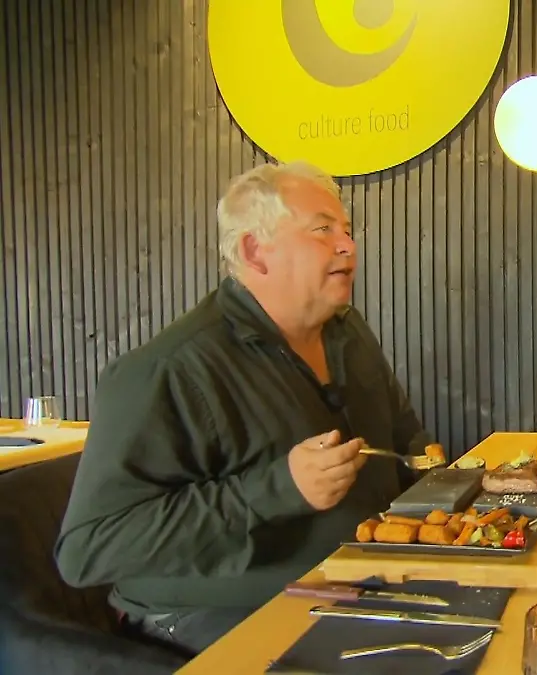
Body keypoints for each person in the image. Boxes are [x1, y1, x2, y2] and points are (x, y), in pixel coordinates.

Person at [55, 161, 431, 656]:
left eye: (346, 230)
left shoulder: (348, 332)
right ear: (256, 251)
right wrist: (277, 489)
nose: (348, 245)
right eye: (323, 230)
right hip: (213, 617)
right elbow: (88, 549)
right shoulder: (167, 370)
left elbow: (410, 450)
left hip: (360, 585)